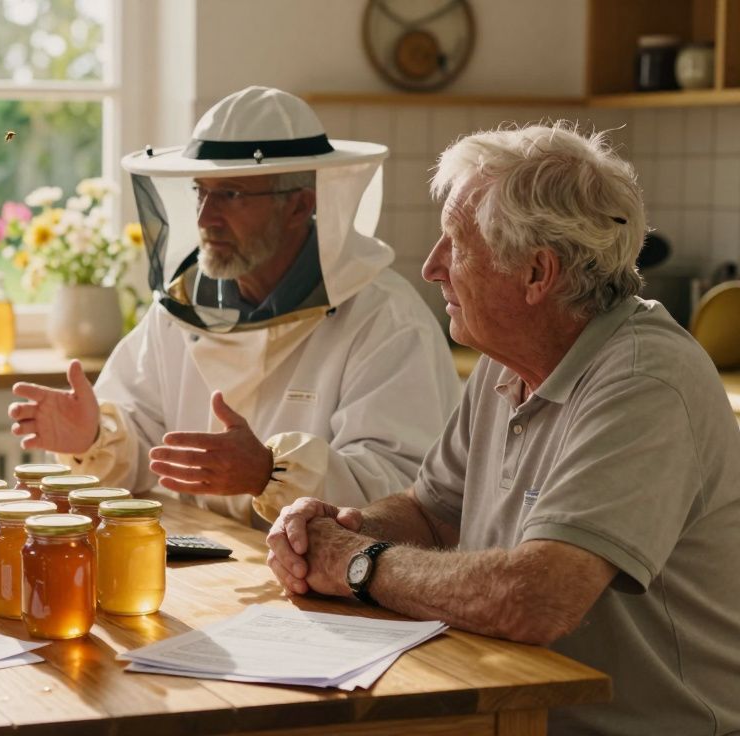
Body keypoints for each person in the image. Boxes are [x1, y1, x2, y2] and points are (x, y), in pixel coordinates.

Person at [265, 123, 740, 734]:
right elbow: (434, 512)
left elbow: (536, 599)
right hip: (512, 708)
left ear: (537, 274)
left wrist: (359, 564)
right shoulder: (506, 358)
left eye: (456, 245)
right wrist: (335, 531)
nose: (432, 266)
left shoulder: (644, 381)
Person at [8, 86, 459, 528]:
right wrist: (90, 437)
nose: (206, 217)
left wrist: (268, 472)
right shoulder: (182, 308)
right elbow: (143, 450)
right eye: (201, 192)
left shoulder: (385, 320)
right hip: (213, 567)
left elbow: (403, 496)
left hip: (328, 586)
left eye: (232, 195)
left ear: (300, 205)